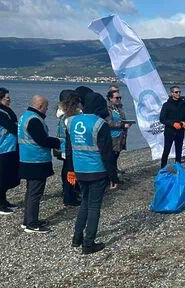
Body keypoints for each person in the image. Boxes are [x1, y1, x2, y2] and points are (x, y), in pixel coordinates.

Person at [66, 93, 120, 255]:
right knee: (94, 206)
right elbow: (107, 154)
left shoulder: (71, 121)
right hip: (97, 170)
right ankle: (88, 244)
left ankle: (77, 238)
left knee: (85, 202)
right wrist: (113, 177)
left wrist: (71, 170)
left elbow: (69, 149)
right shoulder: (100, 124)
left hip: (79, 169)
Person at [18, 95, 61, 233]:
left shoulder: (25, 116)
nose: (47, 110)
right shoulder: (34, 120)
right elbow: (42, 140)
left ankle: (28, 220)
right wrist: (58, 142)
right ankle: (32, 223)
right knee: (35, 193)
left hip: (27, 158)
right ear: (40, 106)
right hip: (35, 160)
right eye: (46, 108)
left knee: (31, 191)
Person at [56, 90, 82, 206]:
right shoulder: (70, 117)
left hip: (63, 147)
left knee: (66, 170)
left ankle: (68, 193)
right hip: (69, 148)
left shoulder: (62, 116)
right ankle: (69, 196)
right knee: (70, 171)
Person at [159, 86, 185, 167]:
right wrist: (173, 124)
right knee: (166, 150)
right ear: (172, 93)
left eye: (179, 92)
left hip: (180, 131)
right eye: (176, 92)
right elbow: (162, 119)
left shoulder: (183, 105)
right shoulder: (166, 105)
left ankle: (178, 168)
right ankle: (163, 168)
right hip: (169, 131)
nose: (178, 93)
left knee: (179, 151)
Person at [106, 89, 131, 179]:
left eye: (120, 98)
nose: (119, 99)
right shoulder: (107, 109)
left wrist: (127, 124)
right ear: (110, 98)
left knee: (116, 156)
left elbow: (122, 120)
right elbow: (108, 123)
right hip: (112, 136)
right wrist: (122, 125)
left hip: (120, 136)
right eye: (116, 98)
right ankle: (112, 177)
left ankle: (114, 174)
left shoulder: (119, 107)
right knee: (112, 157)